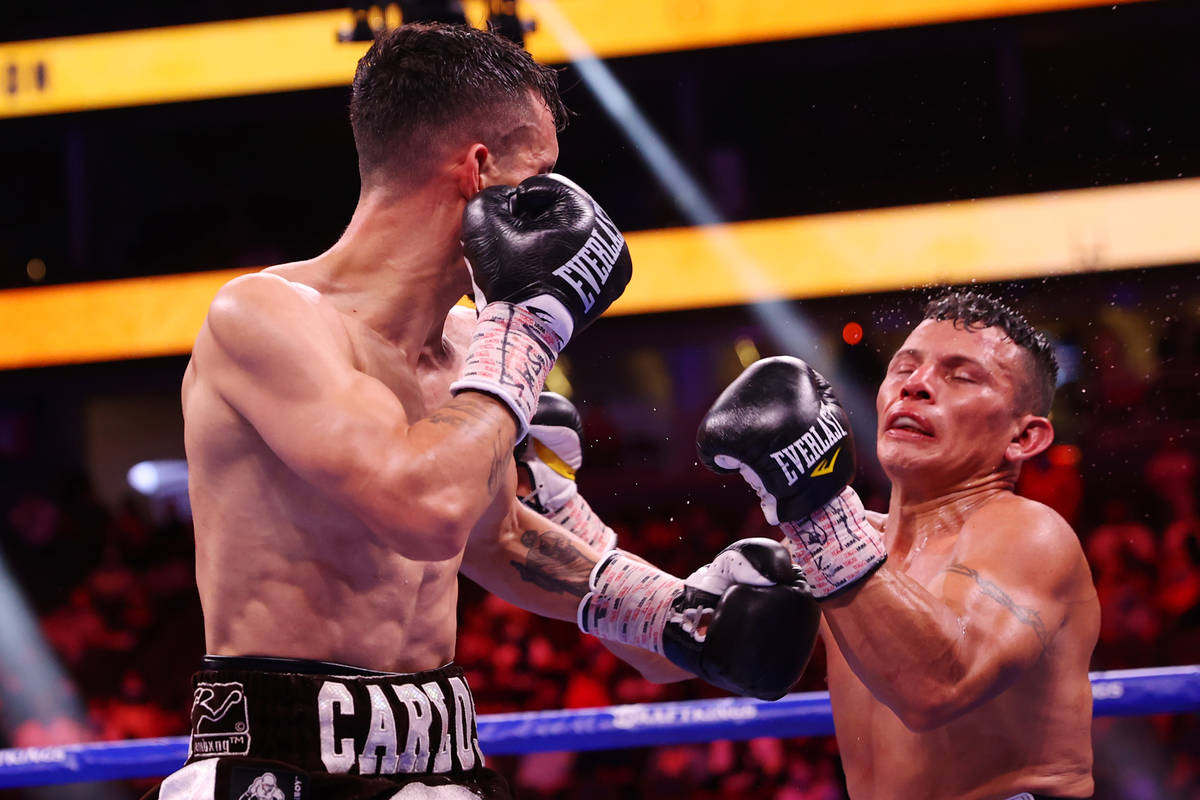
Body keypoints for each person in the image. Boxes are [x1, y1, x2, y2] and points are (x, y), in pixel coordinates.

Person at [145, 22, 817, 800]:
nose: (557, 205)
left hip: (441, 759)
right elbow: (422, 508)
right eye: (540, 175)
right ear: (479, 169)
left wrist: (672, 614)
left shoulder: (473, 343)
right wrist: (526, 337)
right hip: (280, 763)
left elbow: (492, 536)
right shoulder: (266, 318)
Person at [698, 290, 1100, 800]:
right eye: (904, 367)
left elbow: (937, 687)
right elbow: (660, 654)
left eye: (961, 376)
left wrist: (815, 511)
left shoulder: (1031, 533)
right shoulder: (846, 549)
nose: (917, 386)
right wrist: (573, 523)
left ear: (1024, 438)